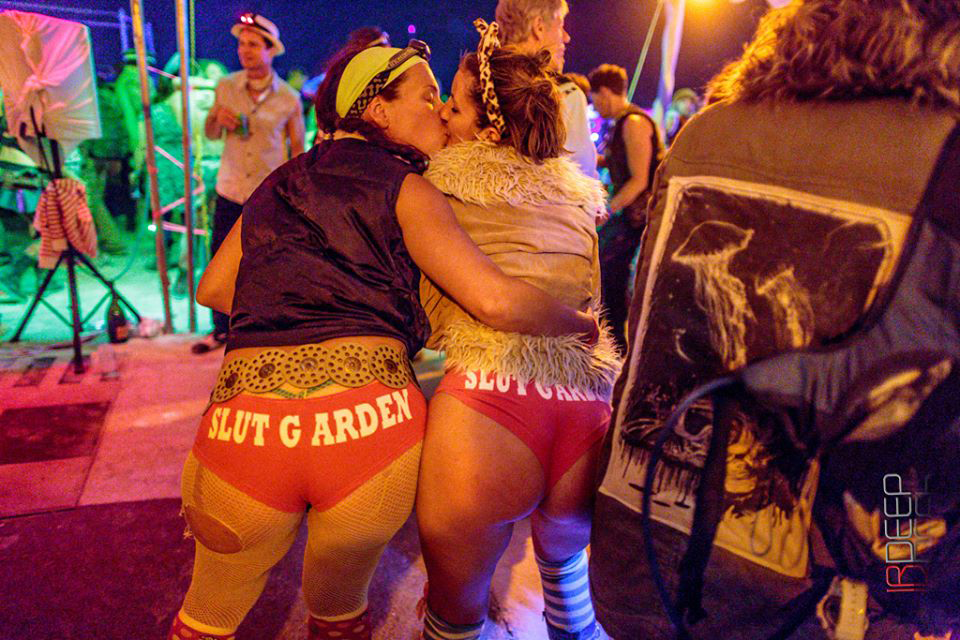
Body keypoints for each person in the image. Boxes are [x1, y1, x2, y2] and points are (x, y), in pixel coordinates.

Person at [167, 38, 598, 640]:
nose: (441, 113)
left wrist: (298, 294)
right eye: (428, 97)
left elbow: (213, 289)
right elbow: (494, 300)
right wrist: (584, 327)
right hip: (368, 431)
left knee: (206, 613)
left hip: (245, 429)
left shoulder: (278, 183)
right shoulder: (412, 189)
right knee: (340, 612)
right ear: (378, 110)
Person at [589, 1, 960, 638]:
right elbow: (920, 451)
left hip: (635, 554)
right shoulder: (945, 157)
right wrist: (911, 591)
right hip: (821, 598)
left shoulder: (708, 131)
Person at [415, 21, 620, 640]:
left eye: (454, 106)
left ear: (487, 129)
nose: (442, 114)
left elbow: (462, 308)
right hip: (585, 414)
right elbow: (592, 297)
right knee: (571, 605)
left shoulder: (434, 186)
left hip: (489, 406)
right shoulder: (581, 198)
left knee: (454, 620)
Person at [191, 13, 305, 354]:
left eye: (254, 45)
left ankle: (266, 326)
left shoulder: (289, 98)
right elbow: (210, 134)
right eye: (241, 44)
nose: (245, 51)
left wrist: (295, 195)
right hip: (230, 188)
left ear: (271, 50)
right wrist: (216, 119)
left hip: (268, 193)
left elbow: (297, 149)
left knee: (269, 261)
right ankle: (221, 329)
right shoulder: (226, 86)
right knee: (220, 261)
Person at [588, 63, 663, 353]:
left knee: (611, 278)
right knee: (607, 277)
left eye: (595, 99)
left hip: (634, 220)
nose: (596, 107)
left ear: (605, 93)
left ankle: (617, 348)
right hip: (626, 218)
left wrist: (605, 212)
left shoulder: (634, 123)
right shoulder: (622, 123)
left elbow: (639, 179)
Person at [495, 0, 598, 178]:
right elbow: (583, 175)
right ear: (539, 27)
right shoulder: (563, 94)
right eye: (560, 26)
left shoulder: (480, 78)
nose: (566, 37)